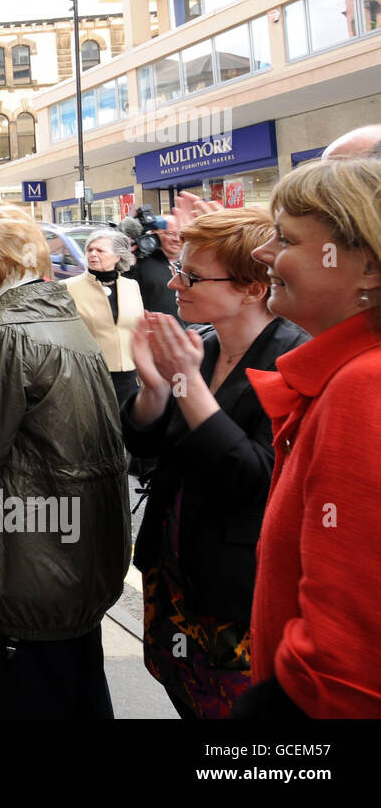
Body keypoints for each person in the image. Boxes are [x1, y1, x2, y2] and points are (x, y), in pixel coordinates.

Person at [0, 203, 129, 719]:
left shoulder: (2, 328)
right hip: (73, 557)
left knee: (34, 693)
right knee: (78, 686)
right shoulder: (57, 314)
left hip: (31, 558)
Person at [122, 208, 308, 719]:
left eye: (192, 275)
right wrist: (158, 389)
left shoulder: (292, 360)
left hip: (235, 591)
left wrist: (187, 383)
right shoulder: (201, 346)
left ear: (252, 289)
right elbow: (144, 444)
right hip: (175, 571)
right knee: (181, 689)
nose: (175, 282)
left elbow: (254, 478)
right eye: (179, 267)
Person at [235, 158, 381, 717]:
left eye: (285, 238)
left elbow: (348, 660)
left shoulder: (362, 388)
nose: (263, 253)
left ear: (367, 267)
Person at [62, 230, 144, 408]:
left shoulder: (132, 286)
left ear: (117, 257)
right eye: (89, 250)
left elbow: (139, 329)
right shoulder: (68, 287)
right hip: (89, 375)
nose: (93, 254)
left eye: (100, 250)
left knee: (127, 429)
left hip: (128, 376)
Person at [126, 214, 182, 321]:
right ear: (154, 234)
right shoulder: (139, 263)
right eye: (170, 234)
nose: (177, 239)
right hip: (156, 332)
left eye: (181, 234)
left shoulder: (191, 263)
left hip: (193, 333)